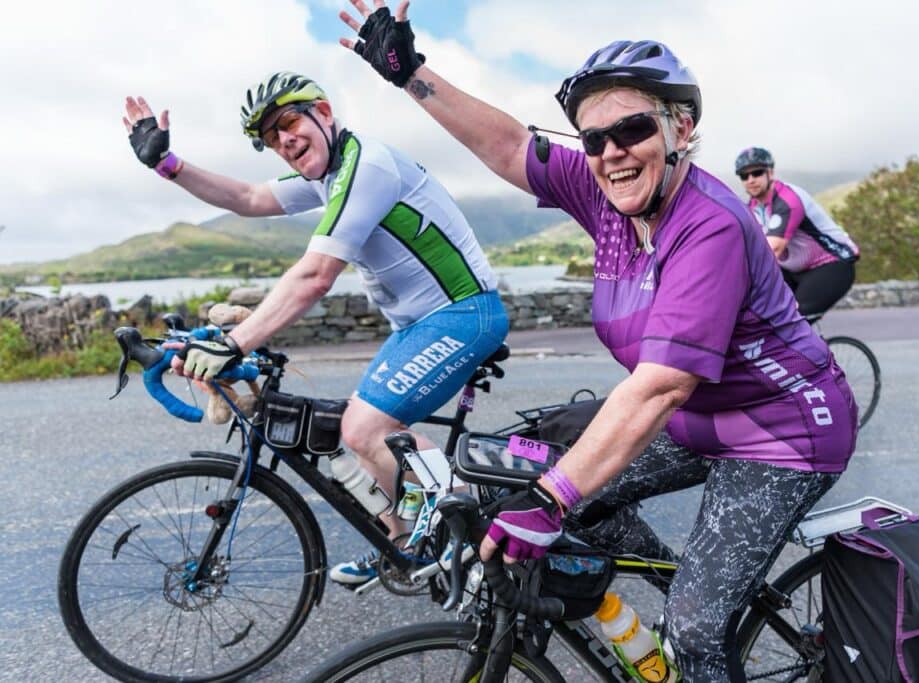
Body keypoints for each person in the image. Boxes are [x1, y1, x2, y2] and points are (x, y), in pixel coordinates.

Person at [339, 3, 857, 680]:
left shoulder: (711, 228)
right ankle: (695, 574)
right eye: (594, 138)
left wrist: (555, 494)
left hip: (783, 433)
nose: (611, 150)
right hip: (698, 416)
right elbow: (506, 145)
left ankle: (703, 609)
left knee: (696, 629)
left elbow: (660, 384)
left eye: (633, 128)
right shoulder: (603, 190)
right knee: (548, 488)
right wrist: (411, 74)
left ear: (681, 128)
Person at [121, 71, 508, 587]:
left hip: (463, 315)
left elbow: (314, 275)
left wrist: (235, 342)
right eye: (271, 138)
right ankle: (402, 545)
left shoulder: (365, 166)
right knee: (362, 429)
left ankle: (476, 542)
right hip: (420, 326)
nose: (283, 141)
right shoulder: (328, 175)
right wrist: (168, 165)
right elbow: (249, 197)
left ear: (323, 113)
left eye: (289, 122)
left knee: (363, 428)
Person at [735, 147, 860, 318]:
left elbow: (773, 249)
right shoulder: (753, 208)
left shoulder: (788, 199)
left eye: (757, 173)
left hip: (831, 265)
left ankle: (810, 345)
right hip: (794, 270)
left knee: (793, 319)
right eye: (744, 175)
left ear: (770, 173)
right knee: (758, 315)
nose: (751, 180)